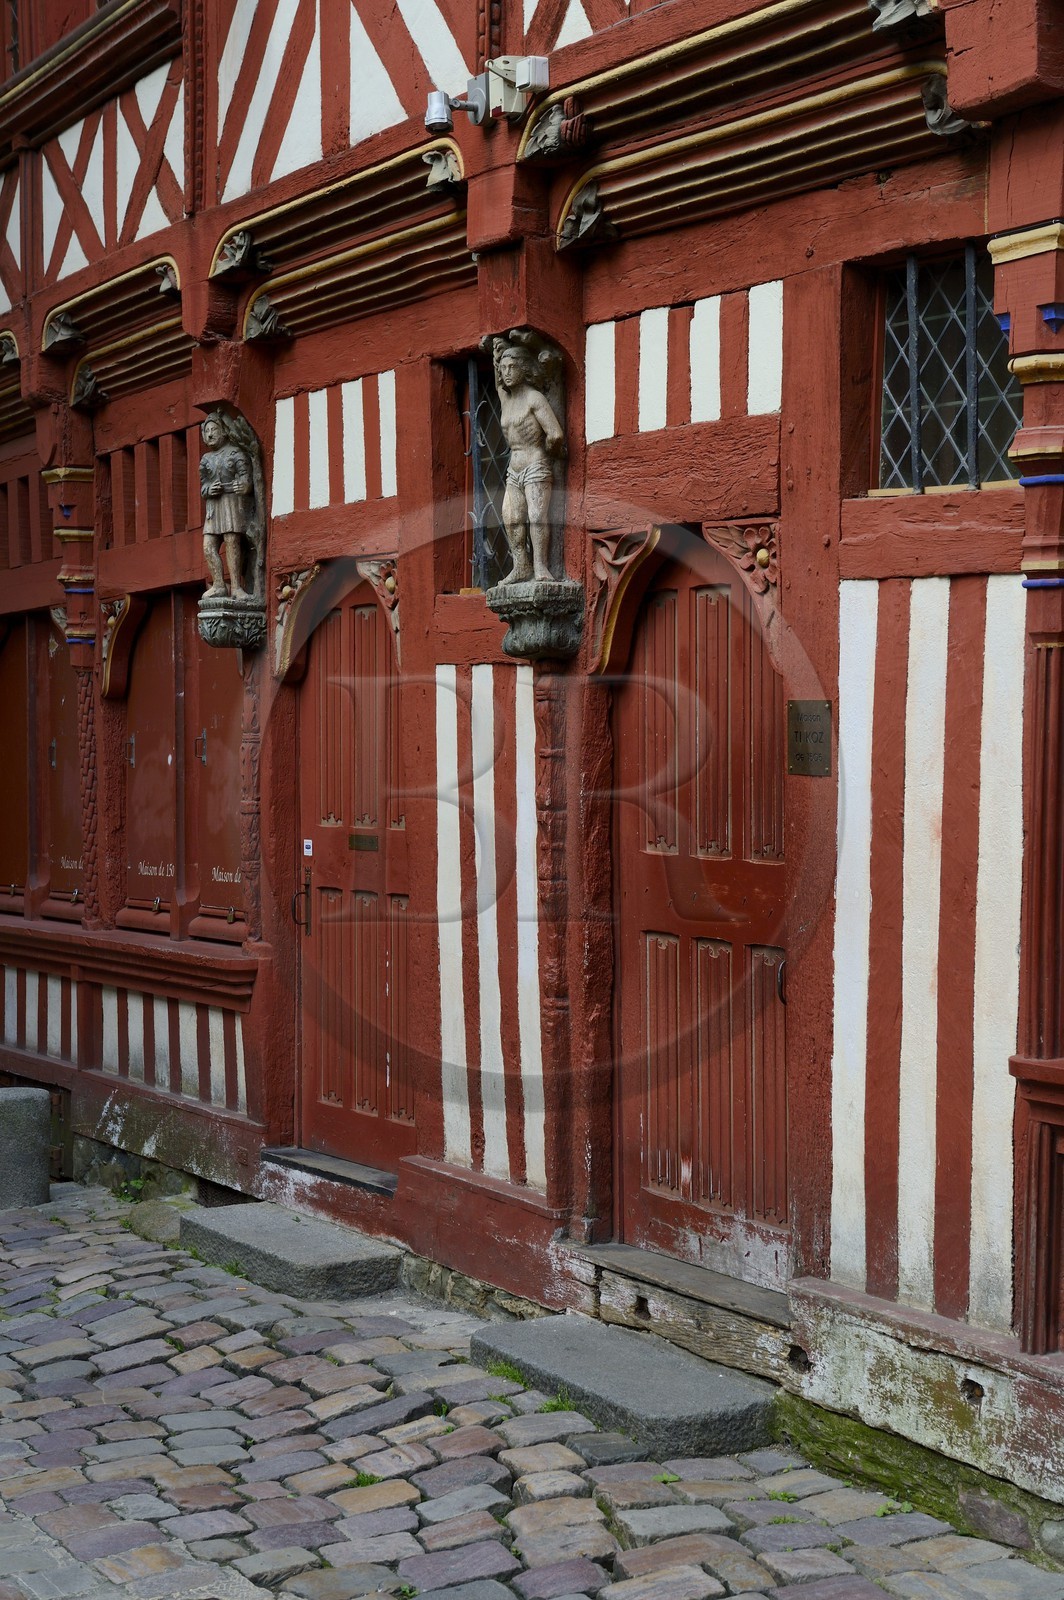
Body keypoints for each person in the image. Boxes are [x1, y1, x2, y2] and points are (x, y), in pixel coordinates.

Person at [495, 341, 565, 585]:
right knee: (511, 518)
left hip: (535, 463)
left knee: (536, 515)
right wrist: (496, 352)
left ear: (524, 368)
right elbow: (497, 381)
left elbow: (555, 433)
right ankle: (520, 566)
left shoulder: (534, 398)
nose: (506, 372)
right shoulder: (505, 399)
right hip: (513, 468)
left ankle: (540, 566)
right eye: (503, 368)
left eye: (512, 367)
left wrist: (550, 450)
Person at [200, 413, 254, 600]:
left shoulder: (235, 453)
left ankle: (237, 587)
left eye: (214, 429)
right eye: (207, 431)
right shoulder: (206, 459)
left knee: (231, 541)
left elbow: (246, 478)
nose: (210, 434)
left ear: (223, 431)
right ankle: (218, 584)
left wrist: (244, 485)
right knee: (208, 546)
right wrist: (209, 489)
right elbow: (203, 485)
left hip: (231, 503)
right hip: (214, 507)